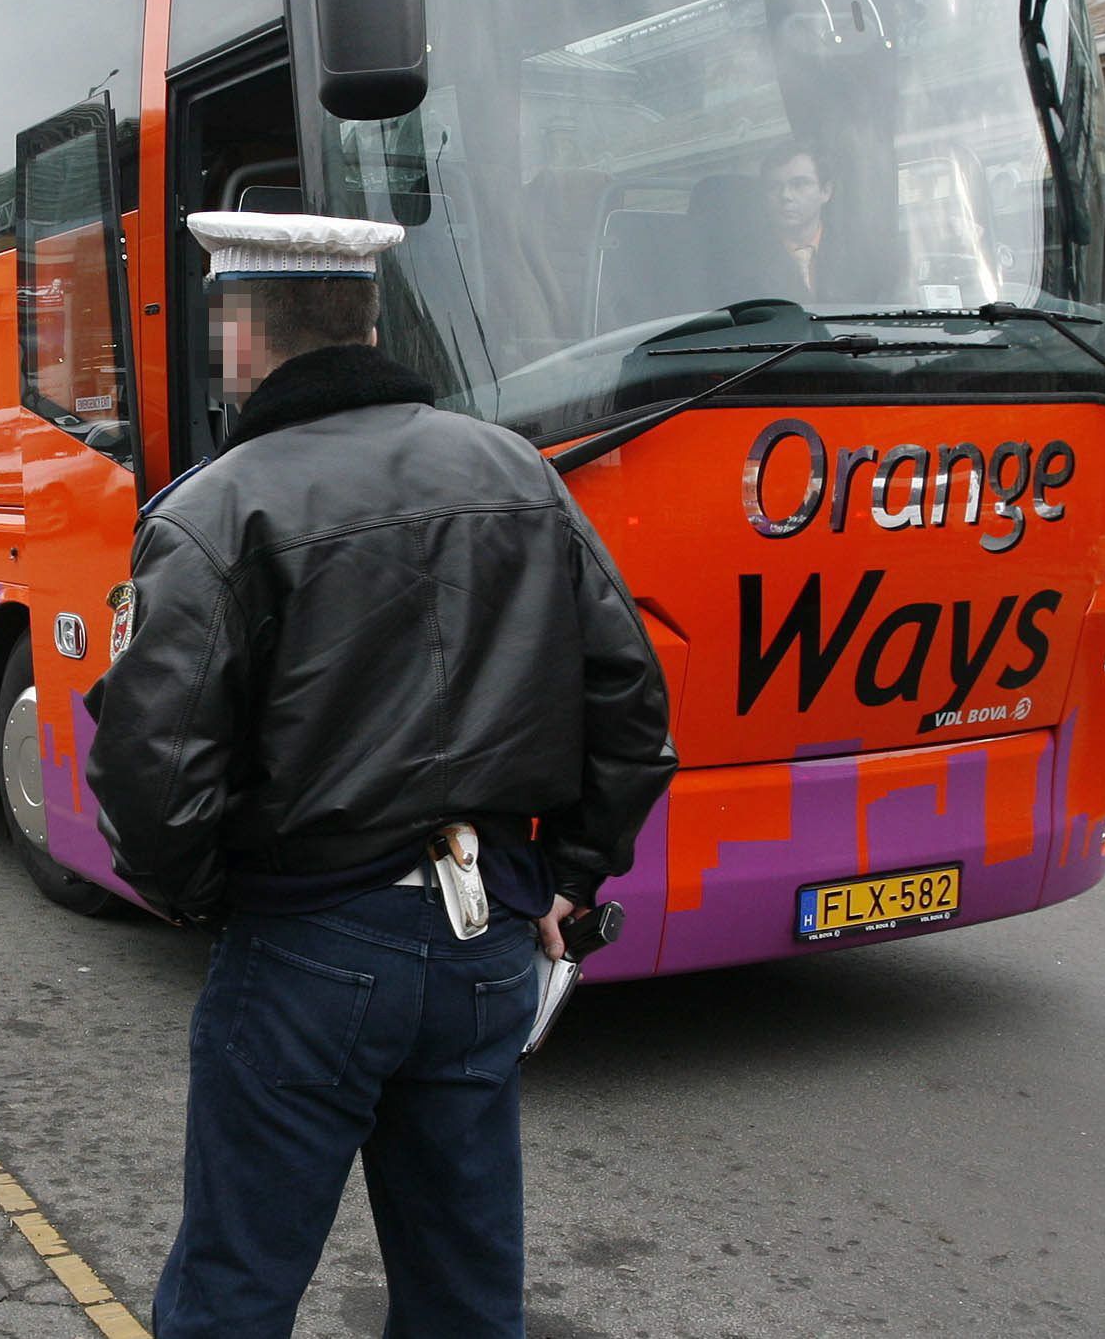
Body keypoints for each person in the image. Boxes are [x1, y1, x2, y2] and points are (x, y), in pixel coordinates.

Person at [87, 212, 677, 1337]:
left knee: (237, 1287)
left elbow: (153, 774)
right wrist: (569, 875)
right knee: (464, 1290)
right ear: (365, 319)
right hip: (488, 938)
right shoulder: (516, 469)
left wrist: (210, 898)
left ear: (242, 337)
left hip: (308, 940)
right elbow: (632, 705)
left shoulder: (214, 509)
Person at [762, 142, 836, 299]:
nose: (785, 196)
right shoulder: (744, 265)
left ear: (826, 191)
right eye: (774, 186)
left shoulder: (860, 255)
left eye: (799, 184)